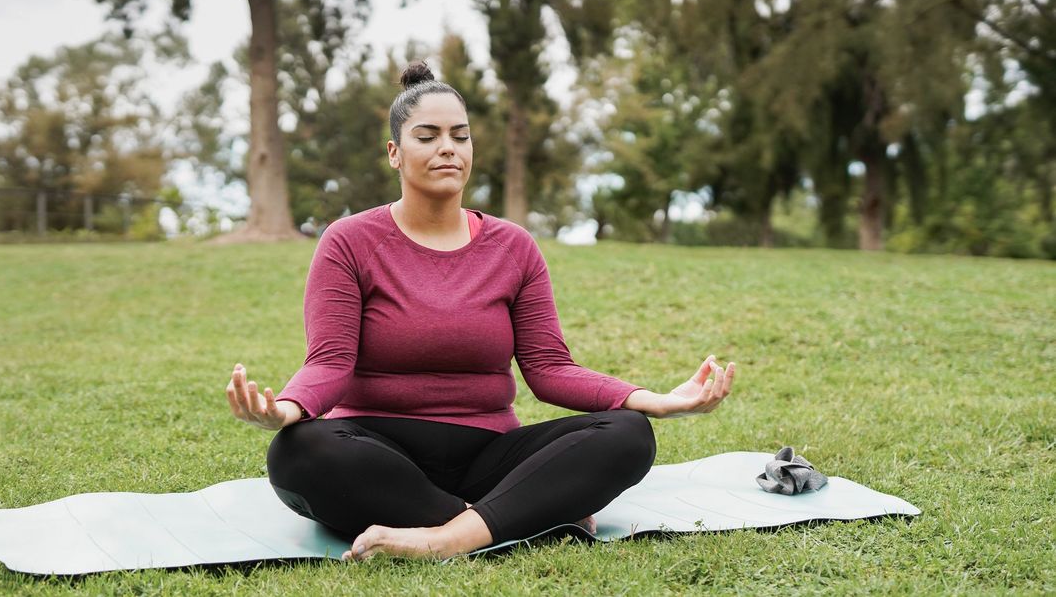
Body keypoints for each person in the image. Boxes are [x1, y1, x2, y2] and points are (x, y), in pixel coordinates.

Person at [225, 61, 736, 561]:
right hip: (377, 450)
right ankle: (520, 514)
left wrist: (655, 400)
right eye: (427, 136)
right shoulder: (348, 241)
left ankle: (448, 537)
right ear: (394, 153)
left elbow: (550, 369)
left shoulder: (513, 246)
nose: (448, 147)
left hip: (490, 454)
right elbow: (331, 360)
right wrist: (287, 410)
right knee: (299, 451)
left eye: (460, 135)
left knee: (627, 433)